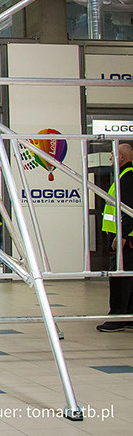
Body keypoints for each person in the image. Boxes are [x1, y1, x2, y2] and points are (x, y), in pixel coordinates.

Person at [97, 142, 133, 332]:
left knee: (119, 278)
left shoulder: (127, 178)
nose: (110, 159)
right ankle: (129, 315)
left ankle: (117, 317)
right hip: (127, 237)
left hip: (126, 239)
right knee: (128, 278)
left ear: (122, 158)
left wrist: (122, 235)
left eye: (113, 155)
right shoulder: (123, 176)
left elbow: (129, 210)